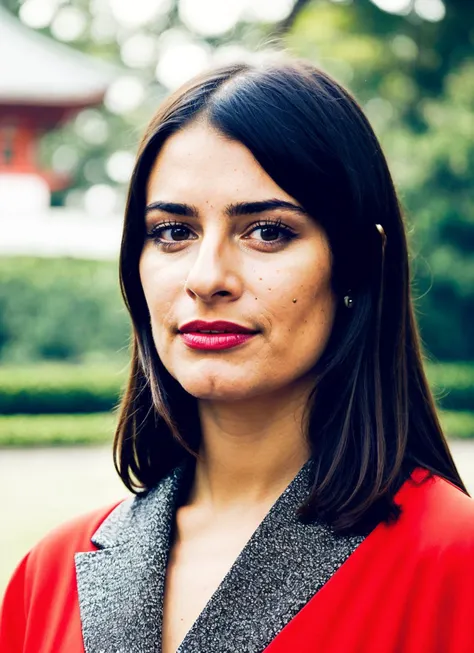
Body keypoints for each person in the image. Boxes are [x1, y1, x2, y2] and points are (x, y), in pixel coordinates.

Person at [1, 55, 473, 653]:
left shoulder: (453, 565)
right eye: (172, 232)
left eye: (267, 231)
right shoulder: (47, 579)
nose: (207, 278)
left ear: (357, 260)